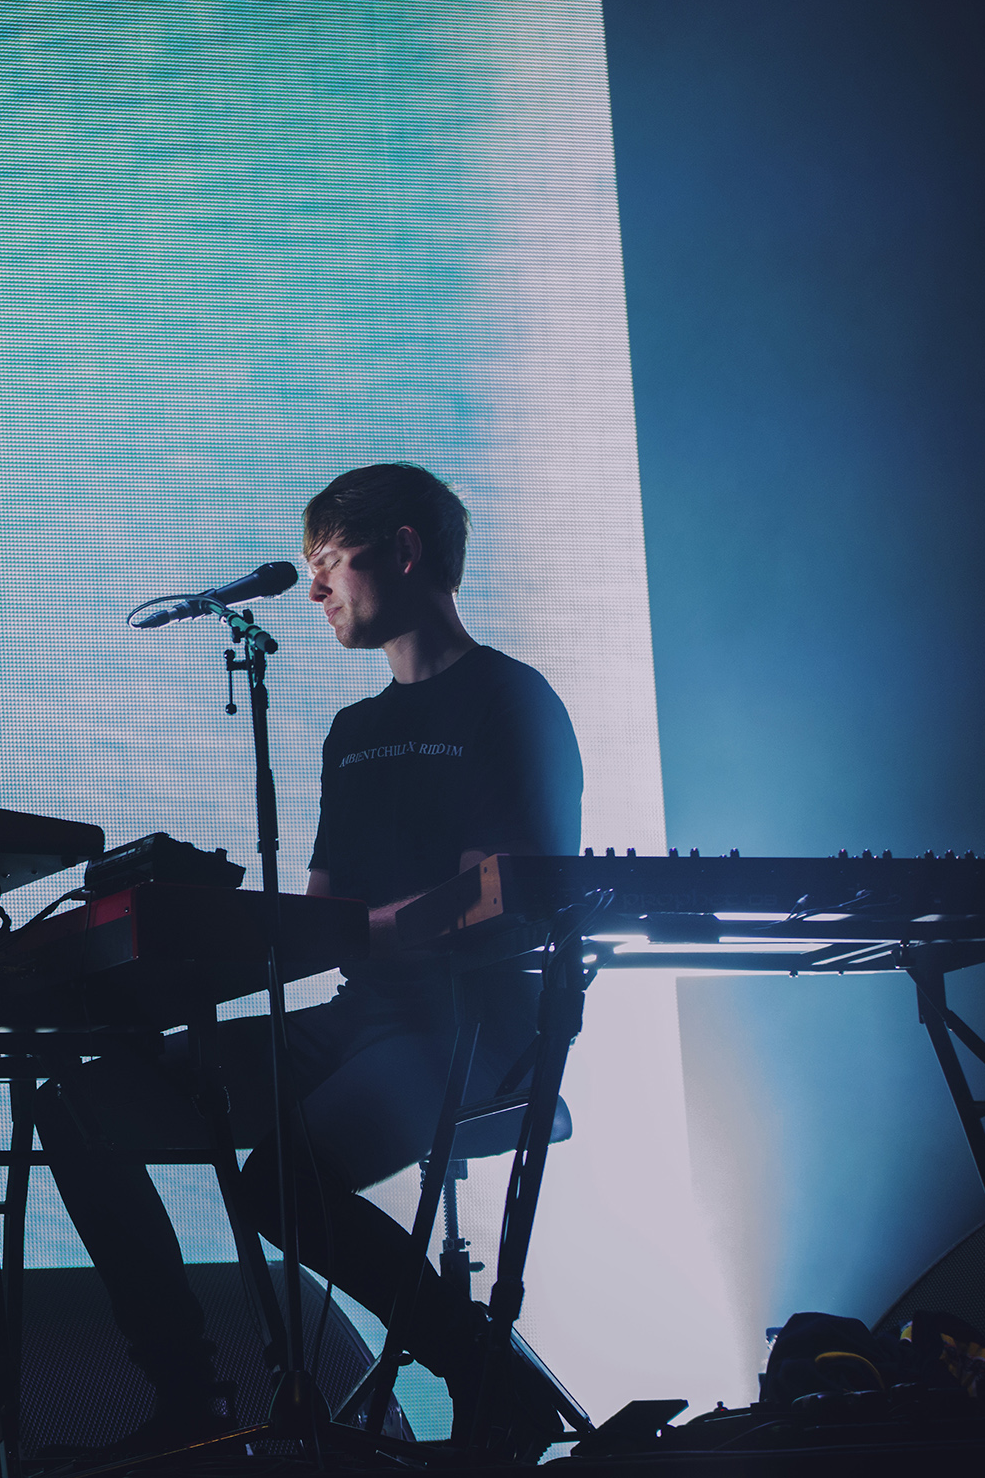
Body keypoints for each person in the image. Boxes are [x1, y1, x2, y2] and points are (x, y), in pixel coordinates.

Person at [36, 462, 581, 1456]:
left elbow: (494, 895)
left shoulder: (511, 701)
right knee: (78, 1105)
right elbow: (326, 916)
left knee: (277, 1181)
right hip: (361, 1016)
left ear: (404, 551)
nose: (317, 587)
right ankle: (190, 1397)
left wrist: (357, 934)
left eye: (330, 561)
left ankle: (486, 1374)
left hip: (478, 1020)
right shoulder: (353, 730)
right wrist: (197, 928)